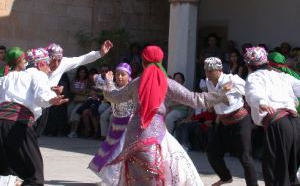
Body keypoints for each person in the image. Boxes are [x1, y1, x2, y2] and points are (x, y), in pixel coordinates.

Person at [102, 45, 229, 185]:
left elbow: (114, 96)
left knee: (135, 177)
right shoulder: (167, 83)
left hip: (133, 136)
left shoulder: (136, 83)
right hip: (156, 137)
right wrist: (221, 95)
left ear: (143, 63)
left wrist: (108, 82)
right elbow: (195, 99)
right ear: (160, 62)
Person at [0, 47, 68, 186]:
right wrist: (51, 99)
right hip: (17, 124)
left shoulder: (7, 77)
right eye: (48, 63)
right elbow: (41, 96)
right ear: (40, 64)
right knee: (34, 178)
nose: (50, 68)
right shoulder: (37, 74)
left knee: (5, 171)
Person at [244, 46, 300, 186]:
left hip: (278, 125)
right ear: (266, 62)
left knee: (276, 172)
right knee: (290, 170)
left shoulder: (253, 77)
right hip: (295, 123)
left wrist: (261, 102)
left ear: (248, 65)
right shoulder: (282, 75)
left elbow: (252, 93)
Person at [34, 40, 113, 136]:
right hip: (31, 104)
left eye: (59, 60)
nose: (57, 64)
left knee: (36, 135)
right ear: (47, 59)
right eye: (53, 60)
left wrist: (100, 53)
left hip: (45, 105)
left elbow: (82, 59)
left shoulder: (63, 63)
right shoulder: (38, 65)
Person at [204, 57, 258, 186]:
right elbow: (213, 102)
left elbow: (250, 93)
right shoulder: (208, 81)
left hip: (240, 121)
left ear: (219, 70)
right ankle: (226, 177)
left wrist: (257, 114)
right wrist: (215, 101)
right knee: (212, 152)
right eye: (206, 71)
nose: (208, 74)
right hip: (223, 122)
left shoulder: (233, 79)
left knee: (245, 157)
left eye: (211, 71)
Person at [89, 63, 133, 185]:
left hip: (128, 126)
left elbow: (115, 95)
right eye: (118, 74)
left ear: (128, 76)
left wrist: (108, 82)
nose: (119, 77)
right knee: (110, 151)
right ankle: (111, 179)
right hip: (115, 124)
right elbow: (95, 78)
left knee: (119, 152)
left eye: (123, 75)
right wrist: (105, 78)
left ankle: (117, 180)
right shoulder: (110, 85)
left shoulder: (131, 88)